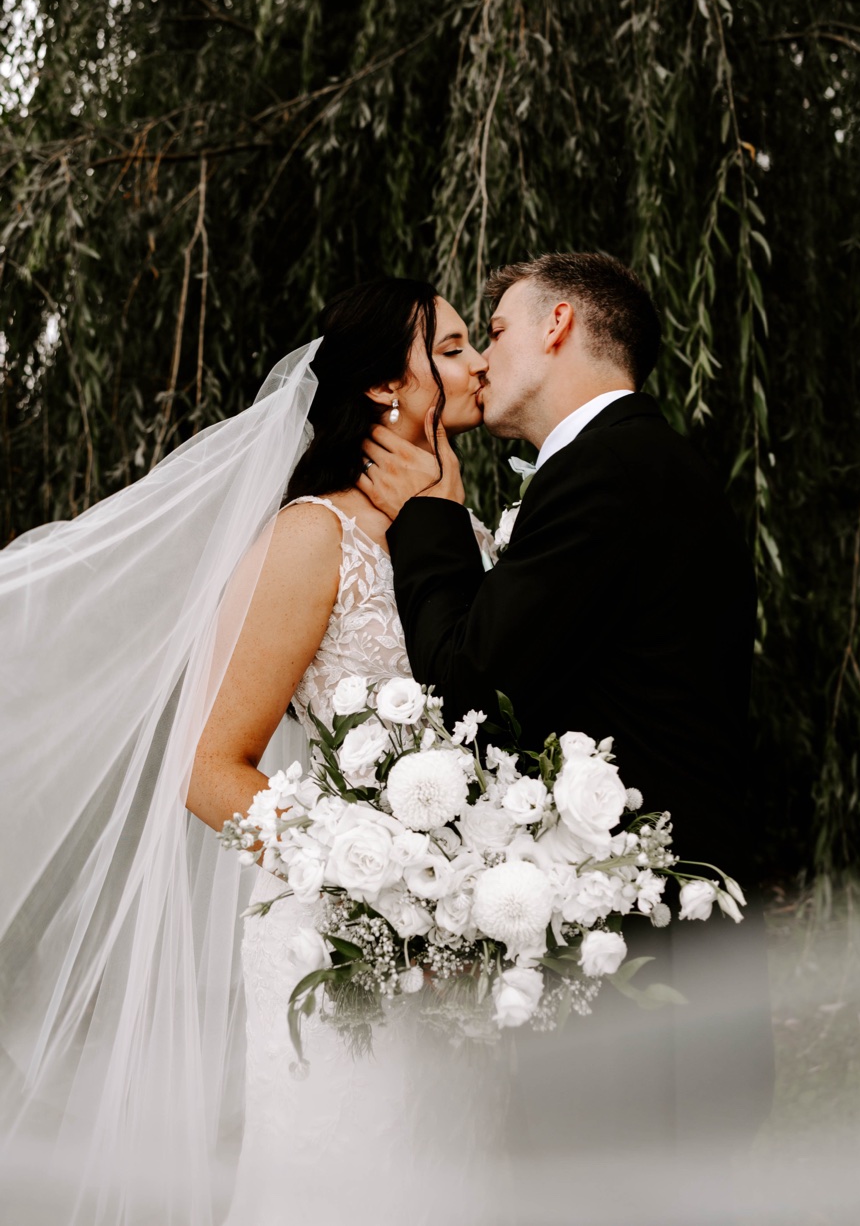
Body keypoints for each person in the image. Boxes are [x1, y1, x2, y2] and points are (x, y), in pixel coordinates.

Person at [0, 277, 502, 1225]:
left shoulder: (467, 536)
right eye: (452, 345)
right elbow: (211, 768)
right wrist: (385, 898)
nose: (479, 360)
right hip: (343, 943)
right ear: (390, 389)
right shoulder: (313, 538)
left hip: (466, 951)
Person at [355, 252, 773, 1221]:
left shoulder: (605, 475)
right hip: (676, 982)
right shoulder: (658, 466)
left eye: (492, 330)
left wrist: (430, 515)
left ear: (556, 326)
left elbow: (469, 677)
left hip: (639, 996)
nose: (480, 360)